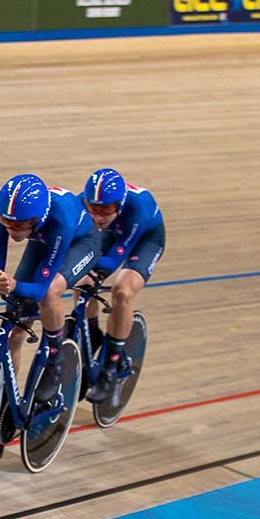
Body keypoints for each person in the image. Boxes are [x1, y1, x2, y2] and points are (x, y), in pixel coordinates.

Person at [0, 174, 99, 408]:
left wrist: (13, 285)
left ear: (38, 218)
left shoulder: (59, 219)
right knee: (15, 326)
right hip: (41, 240)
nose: (12, 229)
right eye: (6, 222)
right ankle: (4, 403)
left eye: (19, 225)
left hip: (79, 244)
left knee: (51, 291)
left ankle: (55, 359)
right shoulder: (5, 217)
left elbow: (40, 289)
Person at [78, 168, 166, 404]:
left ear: (120, 203)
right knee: (81, 276)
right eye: (93, 208)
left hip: (144, 240)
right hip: (114, 233)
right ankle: (92, 331)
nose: (97, 216)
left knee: (122, 291)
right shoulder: (83, 203)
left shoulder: (139, 208)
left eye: (105, 210)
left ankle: (111, 365)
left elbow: (115, 258)